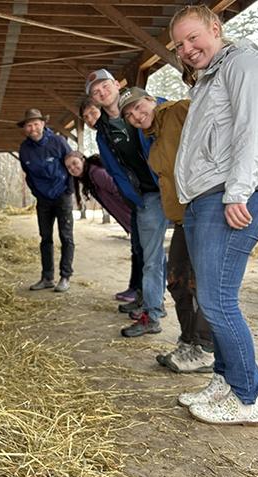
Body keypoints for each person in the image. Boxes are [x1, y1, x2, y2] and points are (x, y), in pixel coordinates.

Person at [169, 5, 258, 425]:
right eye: (179, 44)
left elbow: (254, 127)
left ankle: (248, 396)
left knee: (218, 301)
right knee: (210, 300)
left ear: (216, 27)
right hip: (206, 198)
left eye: (193, 38)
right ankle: (226, 381)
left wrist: (238, 192)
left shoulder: (245, 61)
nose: (187, 49)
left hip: (230, 196)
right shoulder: (208, 78)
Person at [119, 87, 215, 374]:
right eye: (129, 114)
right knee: (176, 279)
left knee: (202, 283)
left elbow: (219, 133)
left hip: (205, 209)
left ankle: (205, 349)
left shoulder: (179, 110)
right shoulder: (154, 138)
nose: (136, 115)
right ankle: (187, 341)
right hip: (184, 218)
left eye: (138, 106)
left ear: (151, 100)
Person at [85, 69, 168, 337]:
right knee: (150, 258)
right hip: (147, 195)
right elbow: (114, 170)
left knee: (186, 258)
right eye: (95, 92)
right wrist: (133, 198)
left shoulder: (147, 105)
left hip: (176, 187)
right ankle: (152, 313)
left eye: (105, 86)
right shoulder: (103, 133)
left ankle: (191, 329)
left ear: (116, 85)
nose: (101, 92)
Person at [78, 99, 142, 304]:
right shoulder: (101, 136)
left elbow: (116, 183)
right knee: (137, 250)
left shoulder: (96, 173)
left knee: (142, 252)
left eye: (92, 113)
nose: (89, 119)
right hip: (131, 209)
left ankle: (139, 293)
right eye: (85, 117)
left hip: (135, 204)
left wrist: (132, 201)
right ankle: (136, 291)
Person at [17, 108, 74, 293]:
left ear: (43, 123)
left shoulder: (58, 142)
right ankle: (47, 277)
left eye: (36, 124)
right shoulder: (24, 149)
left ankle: (65, 276)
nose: (33, 128)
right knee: (45, 238)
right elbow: (28, 175)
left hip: (62, 196)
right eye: (29, 125)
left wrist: (70, 191)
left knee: (66, 237)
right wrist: (37, 193)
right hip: (43, 199)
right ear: (25, 128)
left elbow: (73, 165)